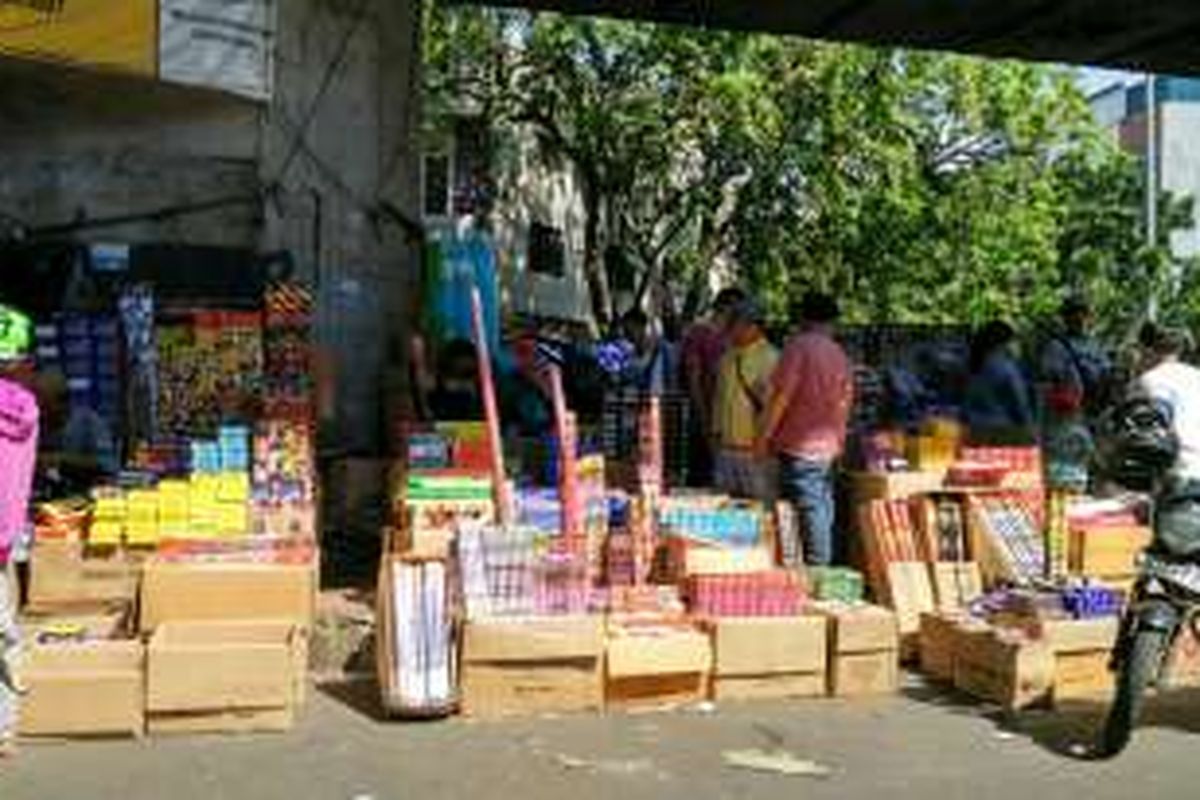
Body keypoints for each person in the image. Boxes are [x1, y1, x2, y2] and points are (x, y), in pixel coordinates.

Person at [759, 292, 853, 566]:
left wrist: (762, 436)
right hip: (827, 448)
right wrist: (840, 440)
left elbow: (781, 397)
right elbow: (845, 401)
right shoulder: (838, 353)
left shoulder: (798, 347)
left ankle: (815, 572)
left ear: (803, 318)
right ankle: (820, 568)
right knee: (821, 509)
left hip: (797, 447)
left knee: (805, 512)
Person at [713, 299, 778, 500]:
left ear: (753, 326)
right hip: (726, 449)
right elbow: (719, 398)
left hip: (756, 451)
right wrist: (715, 434)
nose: (729, 329)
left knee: (760, 512)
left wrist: (764, 442)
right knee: (725, 509)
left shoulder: (771, 357)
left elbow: (773, 406)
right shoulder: (726, 357)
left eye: (734, 324)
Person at [680, 288, 746, 485]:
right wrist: (704, 421)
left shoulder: (734, 338)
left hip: (728, 426)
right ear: (725, 307)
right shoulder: (699, 334)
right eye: (738, 309)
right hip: (704, 420)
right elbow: (693, 381)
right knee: (702, 478)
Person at [1135, 324, 1200, 482]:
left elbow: (1146, 429)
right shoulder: (1197, 376)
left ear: (1152, 351)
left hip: (1175, 470)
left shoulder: (1150, 379)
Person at [35, 370, 118, 492]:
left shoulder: (89, 423)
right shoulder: (35, 425)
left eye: (45, 405)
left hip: (86, 494)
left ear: (62, 402)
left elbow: (107, 465)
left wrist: (59, 459)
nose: (39, 410)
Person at [1038, 295, 1113, 423]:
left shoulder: (1095, 345)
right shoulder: (1056, 346)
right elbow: (1049, 380)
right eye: (1073, 313)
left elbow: (1107, 372)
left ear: (1088, 316)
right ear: (1066, 318)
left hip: (1096, 409)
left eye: (1082, 312)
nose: (1079, 317)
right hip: (1067, 412)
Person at [963, 321, 1036, 445]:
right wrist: (1032, 435)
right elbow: (1020, 406)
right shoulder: (1007, 369)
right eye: (1014, 341)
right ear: (1003, 343)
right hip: (1001, 433)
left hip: (973, 431)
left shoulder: (975, 365)